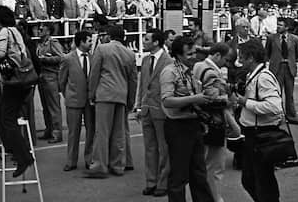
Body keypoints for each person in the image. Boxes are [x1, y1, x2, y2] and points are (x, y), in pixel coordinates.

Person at [160, 36, 214, 202]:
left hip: (193, 125)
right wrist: (194, 99)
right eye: (188, 54)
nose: (193, 57)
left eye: (193, 53)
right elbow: (167, 101)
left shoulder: (190, 72)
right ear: (178, 55)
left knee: (199, 172)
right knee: (179, 175)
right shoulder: (170, 72)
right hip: (178, 127)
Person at [0, 6, 34, 179]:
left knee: (7, 118)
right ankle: (12, 147)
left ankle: (23, 156)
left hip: (14, 80)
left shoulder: (5, 31)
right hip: (22, 79)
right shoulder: (16, 30)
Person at [233, 39, 283, 202]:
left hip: (261, 134)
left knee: (262, 179)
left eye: (242, 57)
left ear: (251, 58)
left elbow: (274, 106)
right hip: (252, 133)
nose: (239, 61)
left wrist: (245, 102)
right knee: (250, 179)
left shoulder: (263, 77)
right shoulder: (252, 75)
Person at [85, 24, 137, 179]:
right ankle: (118, 165)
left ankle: (100, 166)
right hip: (121, 94)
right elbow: (133, 79)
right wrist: (131, 100)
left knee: (102, 132)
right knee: (119, 132)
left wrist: (91, 93)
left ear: (109, 36)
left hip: (105, 93)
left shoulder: (102, 49)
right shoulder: (130, 53)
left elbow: (94, 74)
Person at [193, 42, 240, 202]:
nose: (226, 64)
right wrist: (229, 99)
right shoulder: (212, 72)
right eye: (226, 60)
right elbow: (212, 99)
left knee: (205, 163)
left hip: (201, 121)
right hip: (215, 122)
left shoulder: (198, 66)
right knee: (215, 166)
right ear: (217, 55)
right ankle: (215, 198)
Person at [135, 29, 172, 197]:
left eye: (147, 39)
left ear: (156, 42)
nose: (144, 41)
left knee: (164, 149)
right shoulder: (144, 60)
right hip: (147, 109)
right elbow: (142, 85)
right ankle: (151, 181)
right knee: (150, 148)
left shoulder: (168, 61)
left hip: (161, 110)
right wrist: (139, 106)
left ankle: (163, 183)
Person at [59, 30, 95, 172]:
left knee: (91, 130)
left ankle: (89, 158)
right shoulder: (68, 58)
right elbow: (61, 80)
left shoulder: (93, 58)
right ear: (81, 42)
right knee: (73, 132)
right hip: (73, 100)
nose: (91, 43)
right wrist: (67, 95)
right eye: (89, 40)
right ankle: (71, 161)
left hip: (90, 100)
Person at [265, 18, 298, 125]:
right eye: (277, 25)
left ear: (286, 27)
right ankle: (276, 116)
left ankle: (291, 116)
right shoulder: (271, 38)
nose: (278, 27)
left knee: (289, 94)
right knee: (276, 93)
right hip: (277, 67)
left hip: (289, 67)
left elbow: (297, 54)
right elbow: (267, 53)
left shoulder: (295, 39)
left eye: (280, 25)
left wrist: (291, 62)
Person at [35, 24, 64, 143]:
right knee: (45, 106)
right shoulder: (40, 43)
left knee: (53, 106)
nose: (39, 31)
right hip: (42, 76)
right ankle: (49, 129)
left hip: (51, 76)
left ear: (48, 31)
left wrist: (46, 59)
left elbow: (61, 57)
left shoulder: (53, 43)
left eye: (42, 29)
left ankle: (57, 132)